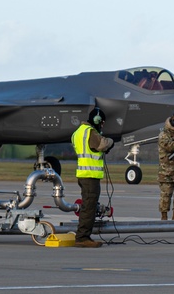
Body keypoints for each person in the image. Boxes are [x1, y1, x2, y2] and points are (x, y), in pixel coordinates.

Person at [70, 106, 114, 247]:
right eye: (101, 123)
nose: (102, 126)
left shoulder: (78, 132)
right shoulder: (90, 132)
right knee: (89, 207)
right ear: (97, 120)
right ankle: (82, 238)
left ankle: (83, 236)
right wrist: (111, 141)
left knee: (87, 205)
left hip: (84, 174)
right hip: (90, 176)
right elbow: (102, 144)